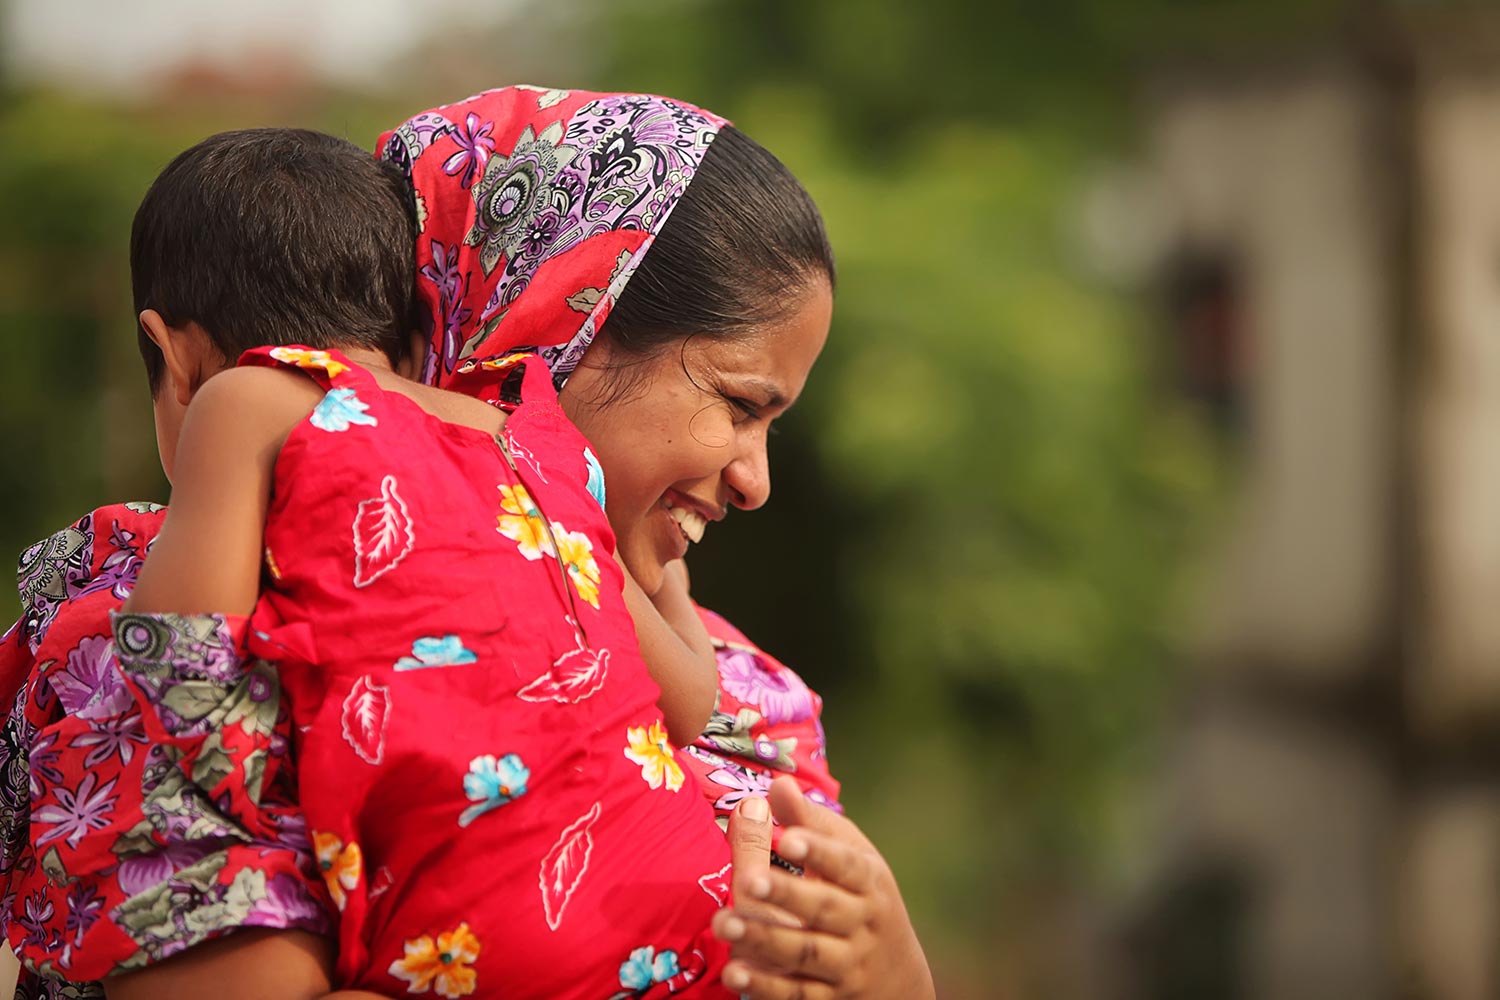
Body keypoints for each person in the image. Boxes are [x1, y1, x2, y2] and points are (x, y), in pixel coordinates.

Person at [1, 88, 933, 999]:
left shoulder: (746, 693)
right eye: (737, 405)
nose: (756, 480)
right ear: (558, 320)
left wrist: (891, 972)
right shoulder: (228, 633)